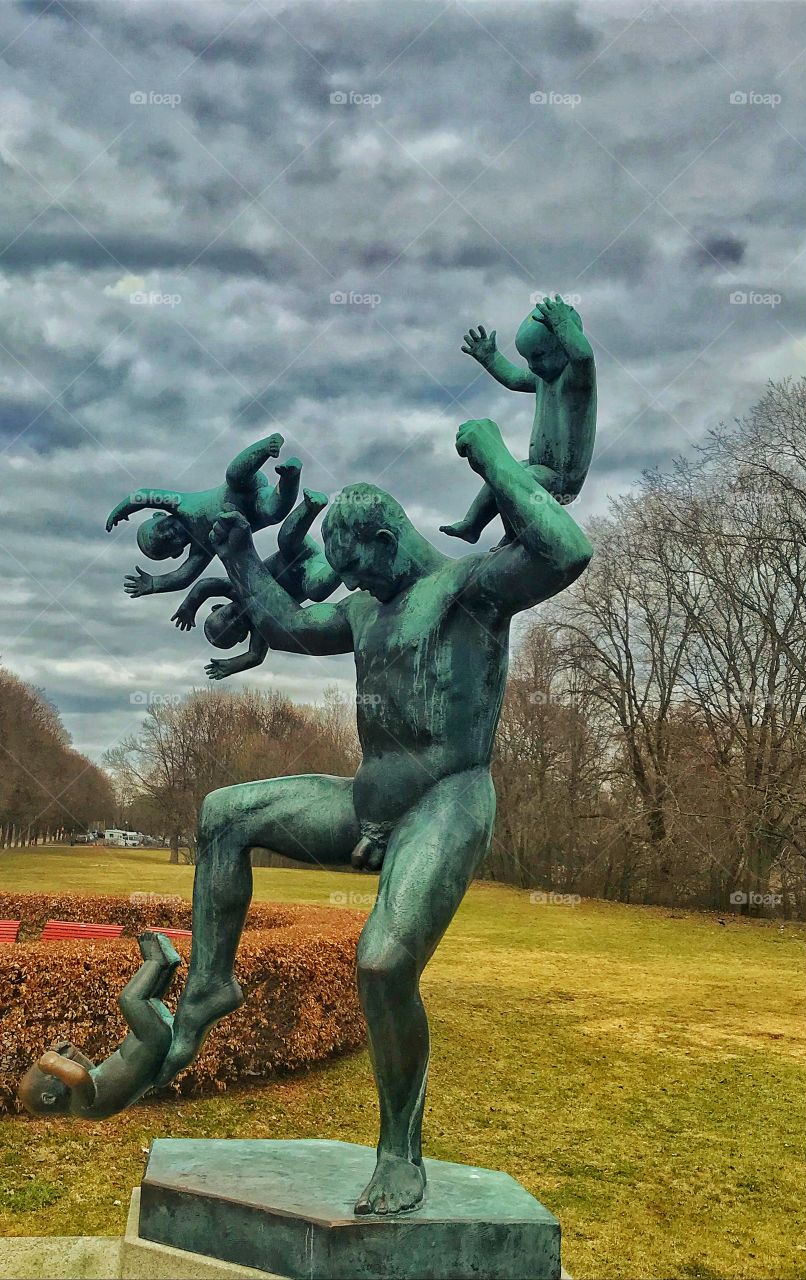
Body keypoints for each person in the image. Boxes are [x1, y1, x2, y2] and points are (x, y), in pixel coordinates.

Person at [151, 417, 593, 1215]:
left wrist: (493, 454)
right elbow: (285, 623)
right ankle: (211, 987)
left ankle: (400, 1150)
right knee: (224, 814)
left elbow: (567, 551)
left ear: (388, 541)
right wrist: (238, 553)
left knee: (384, 965)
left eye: (357, 570)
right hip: (366, 802)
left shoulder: (469, 590)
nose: (351, 587)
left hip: (448, 800)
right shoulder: (363, 613)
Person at [441, 295, 596, 545]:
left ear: (563, 348)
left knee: (515, 481)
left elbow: (584, 357)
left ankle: (515, 535)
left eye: (538, 357)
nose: (532, 366)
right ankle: (473, 524)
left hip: (562, 480)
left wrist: (563, 325)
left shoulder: (576, 381)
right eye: (528, 359)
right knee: (502, 473)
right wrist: (491, 358)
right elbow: (513, 378)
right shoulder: (543, 380)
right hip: (539, 468)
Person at [170, 487, 341, 680]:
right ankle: (344, 557)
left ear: (219, 606)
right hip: (309, 574)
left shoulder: (234, 588)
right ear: (244, 636)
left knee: (286, 539)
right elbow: (256, 656)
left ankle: (310, 507)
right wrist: (232, 666)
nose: (236, 619)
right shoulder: (261, 625)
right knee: (316, 590)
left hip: (295, 555)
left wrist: (189, 606)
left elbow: (206, 586)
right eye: (236, 627)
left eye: (229, 615)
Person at [105, 434, 302, 598]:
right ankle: (290, 477)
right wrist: (155, 584)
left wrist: (123, 509)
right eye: (166, 544)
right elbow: (184, 577)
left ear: (160, 516)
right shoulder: (202, 547)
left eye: (160, 530)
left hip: (241, 487)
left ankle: (267, 446)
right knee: (273, 512)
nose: (167, 535)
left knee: (233, 476)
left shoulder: (181, 504)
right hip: (255, 510)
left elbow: (146, 495)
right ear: (177, 552)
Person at [18, 932, 181, 1120]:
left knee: (150, 999)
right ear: (48, 1098)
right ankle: (157, 961)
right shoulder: (81, 1105)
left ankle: (168, 966)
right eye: (53, 1075)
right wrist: (50, 1062)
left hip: (149, 1043)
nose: (60, 1070)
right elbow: (79, 1076)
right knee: (129, 1000)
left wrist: (71, 1054)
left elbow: (88, 1071)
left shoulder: (87, 1098)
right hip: (151, 1042)